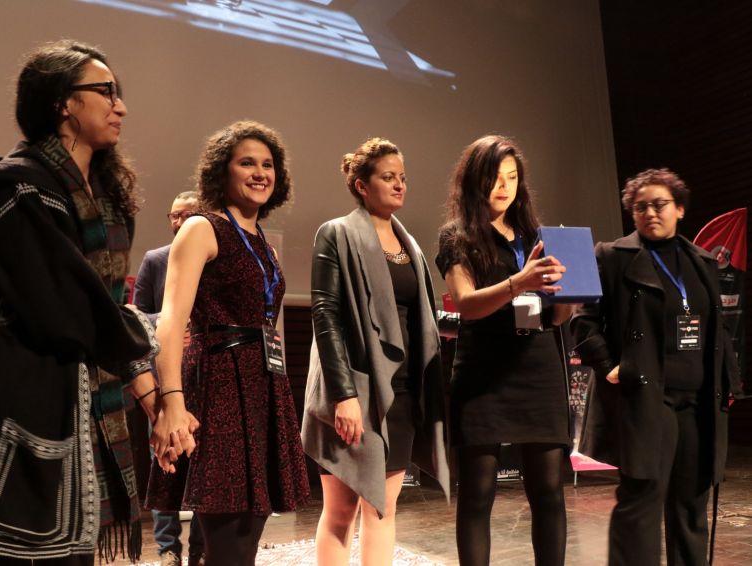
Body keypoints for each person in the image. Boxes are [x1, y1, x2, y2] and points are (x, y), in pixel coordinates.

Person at [0, 40, 159, 565]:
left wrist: (151, 389)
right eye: (106, 92)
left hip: (81, 410)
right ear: (63, 103)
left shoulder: (105, 198)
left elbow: (100, 305)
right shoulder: (14, 189)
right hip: (18, 411)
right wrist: (145, 338)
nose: (120, 106)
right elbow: (66, 308)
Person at [147, 120, 310, 566]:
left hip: (263, 386)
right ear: (222, 170)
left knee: (247, 539)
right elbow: (170, 322)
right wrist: (172, 401)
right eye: (247, 163)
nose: (260, 173)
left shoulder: (264, 244)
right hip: (219, 387)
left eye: (268, 165)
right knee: (227, 543)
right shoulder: (202, 227)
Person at [570, 168, 741, 566]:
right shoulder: (611, 256)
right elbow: (583, 320)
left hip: (698, 400)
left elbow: (717, 329)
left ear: (679, 208)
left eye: (659, 204)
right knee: (642, 499)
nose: (649, 213)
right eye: (640, 207)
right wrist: (608, 365)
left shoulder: (702, 262)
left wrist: (728, 381)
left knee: (691, 503)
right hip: (647, 396)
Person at [302, 138, 449, 566]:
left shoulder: (410, 246)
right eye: (388, 177)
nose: (400, 185)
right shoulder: (336, 233)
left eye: (402, 177)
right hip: (353, 390)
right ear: (362, 186)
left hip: (400, 393)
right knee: (342, 511)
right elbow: (325, 314)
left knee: (383, 509)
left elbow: (422, 318)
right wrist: (343, 395)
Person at [435, 135, 573, 566]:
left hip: (538, 366)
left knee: (549, 490)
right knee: (478, 493)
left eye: (512, 177)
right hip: (484, 371)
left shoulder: (537, 237)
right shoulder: (457, 236)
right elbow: (466, 304)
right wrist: (520, 282)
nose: (504, 186)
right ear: (475, 180)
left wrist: (571, 289)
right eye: (495, 177)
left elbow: (557, 317)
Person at [133, 191, 204, 566]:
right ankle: (167, 548)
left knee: (204, 464)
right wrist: (168, 322)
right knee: (166, 461)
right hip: (166, 374)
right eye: (174, 216)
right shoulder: (156, 259)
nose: (178, 222)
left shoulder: (210, 256)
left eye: (187, 215)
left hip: (204, 375)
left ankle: (202, 548)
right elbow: (135, 316)